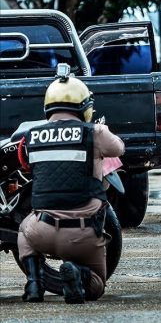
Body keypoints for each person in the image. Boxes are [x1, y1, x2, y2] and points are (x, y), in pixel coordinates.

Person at [17, 73, 125, 304]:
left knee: (23, 230)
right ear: (85, 106)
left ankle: (34, 285)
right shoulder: (94, 132)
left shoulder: (32, 136)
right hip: (84, 233)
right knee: (97, 285)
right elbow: (119, 149)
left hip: (42, 230)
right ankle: (80, 274)